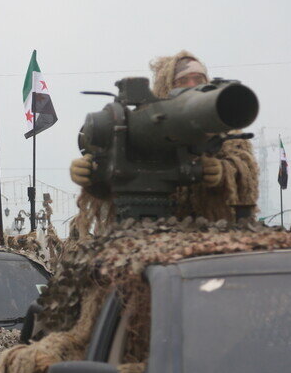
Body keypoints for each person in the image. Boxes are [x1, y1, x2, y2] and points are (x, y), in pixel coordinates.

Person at [69, 51, 259, 235]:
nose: (191, 85)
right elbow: (113, 185)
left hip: (210, 230)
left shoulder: (225, 130)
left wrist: (222, 171)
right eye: (182, 81)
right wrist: (90, 176)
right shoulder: (140, 126)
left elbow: (245, 171)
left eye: (198, 79)